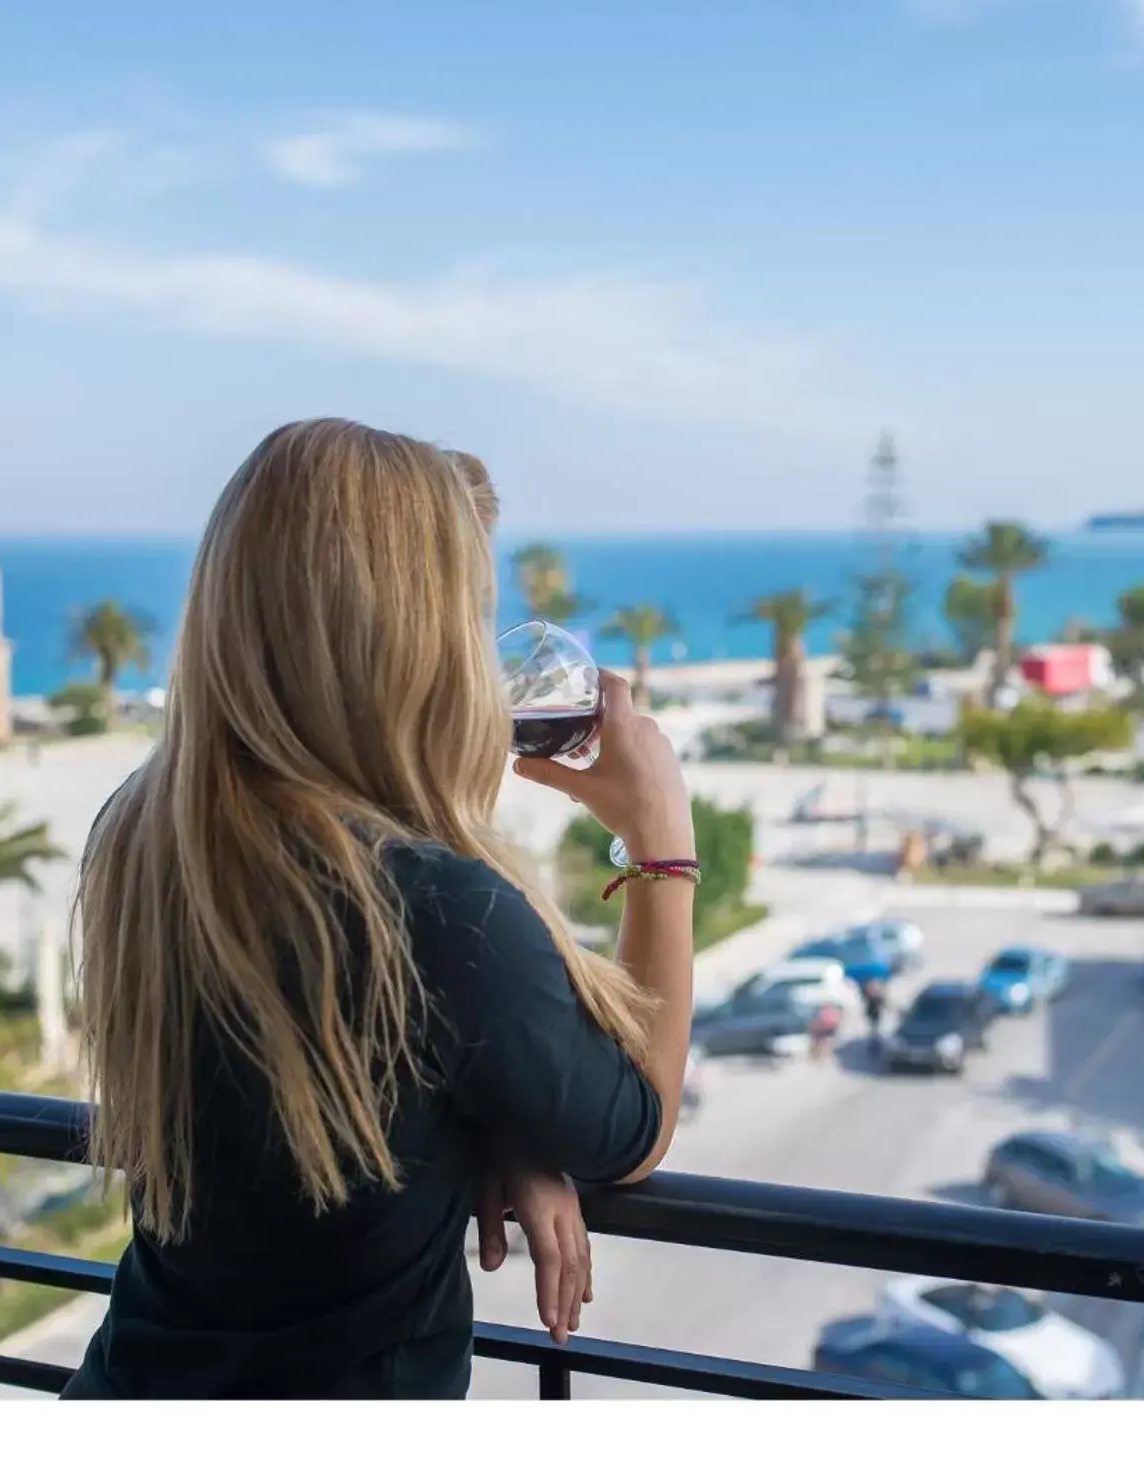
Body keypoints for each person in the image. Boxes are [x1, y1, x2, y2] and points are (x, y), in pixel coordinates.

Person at [60, 420, 697, 1399]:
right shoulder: (437, 911)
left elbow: (321, 1093)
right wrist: (658, 839)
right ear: (410, 640)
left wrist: (481, 1130)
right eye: (472, 615)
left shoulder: (148, 838)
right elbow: (632, 1130)